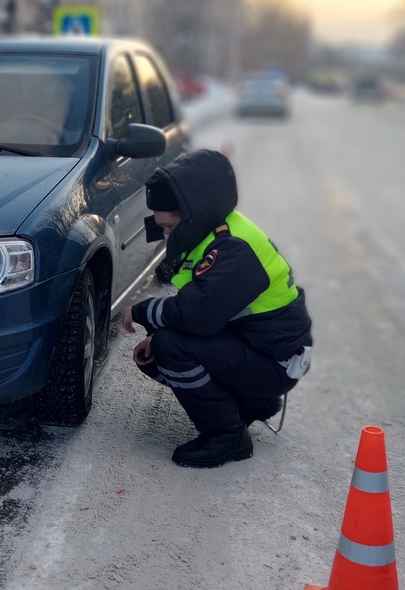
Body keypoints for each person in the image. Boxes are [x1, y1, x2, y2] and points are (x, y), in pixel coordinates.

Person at [122, 148, 313, 469]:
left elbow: (196, 315)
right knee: (159, 348)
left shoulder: (232, 248)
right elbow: (206, 306)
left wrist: (141, 313)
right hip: (262, 349)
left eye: (169, 227)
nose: (166, 235)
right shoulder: (218, 233)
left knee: (170, 346)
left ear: (194, 213)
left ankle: (227, 436)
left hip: (274, 363)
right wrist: (155, 334)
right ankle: (249, 403)